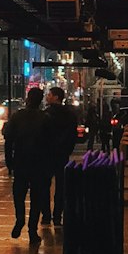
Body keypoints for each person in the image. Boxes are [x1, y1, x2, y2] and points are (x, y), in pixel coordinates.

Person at [2, 85, 52, 246]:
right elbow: (51, 142)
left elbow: (8, 139)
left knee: (19, 194)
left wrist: (9, 161)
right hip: (39, 162)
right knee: (37, 197)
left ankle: (20, 219)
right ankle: (32, 229)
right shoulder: (45, 118)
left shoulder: (17, 117)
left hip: (21, 160)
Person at [43, 86, 79, 225]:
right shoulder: (69, 114)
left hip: (47, 154)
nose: (48, 97)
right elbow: (72, 135)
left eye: (50, 95)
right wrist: (66, 149)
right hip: (62, 153)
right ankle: (57, 215)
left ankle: (46, 215)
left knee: (45, 185)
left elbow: (42, 134)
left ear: (56, 97)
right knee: (61, 186)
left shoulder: (47, 114)